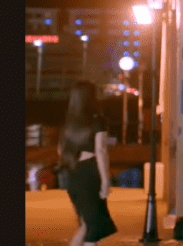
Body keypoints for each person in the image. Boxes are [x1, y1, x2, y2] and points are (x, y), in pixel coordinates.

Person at [58, 81, 117, 246]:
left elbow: (60, 150)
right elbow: (101, 151)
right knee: (93, 227)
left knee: (87, 224)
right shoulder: (98, 121)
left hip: (74, 174)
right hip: (91, 174)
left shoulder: (69, 124)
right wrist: (105, 180)